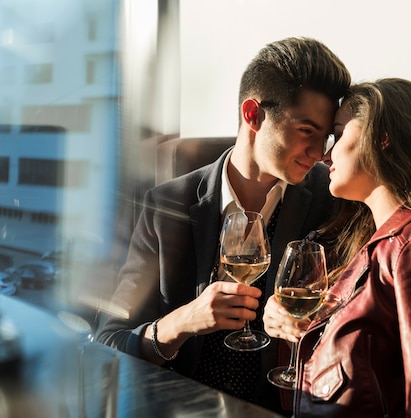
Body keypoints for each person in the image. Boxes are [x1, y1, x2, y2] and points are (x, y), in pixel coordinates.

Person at [95, 37, 351, 415]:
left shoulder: (333, 202)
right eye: (307, 132)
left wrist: (309, 322)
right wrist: (180, 323)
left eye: (326, 137)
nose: (320, 154)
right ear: (253, 114)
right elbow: (106, 341)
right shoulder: (166, 206)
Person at [263, 78, 411, 417]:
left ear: (381, 139)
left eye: (336, 135)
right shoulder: (356, 241)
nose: (324, 155)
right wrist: (287, 320)